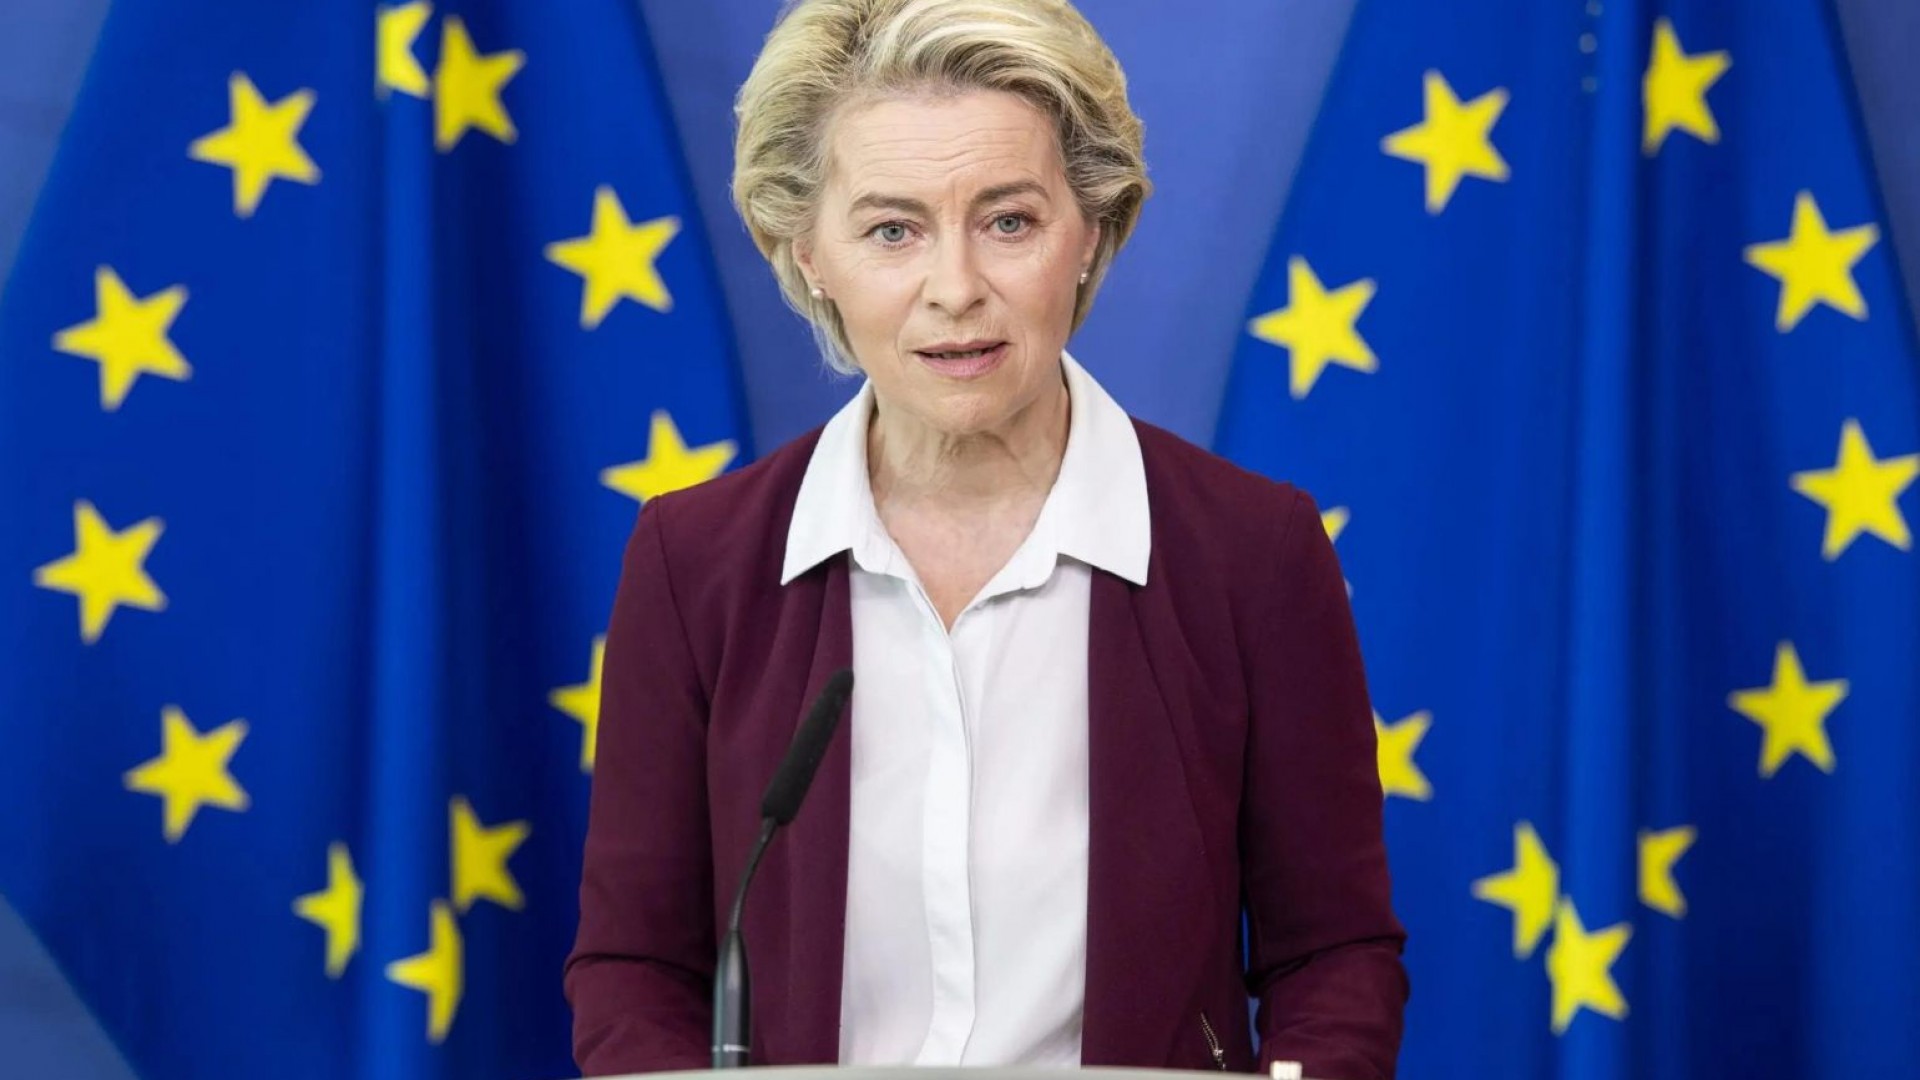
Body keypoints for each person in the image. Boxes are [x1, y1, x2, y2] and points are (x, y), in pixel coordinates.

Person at [564, 0, 1408, 1075]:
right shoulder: (697, 562)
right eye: (892, 231)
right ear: (807, 251)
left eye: (1009, 222)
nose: (956, 290)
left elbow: (1331, 954)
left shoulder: (1253, 552)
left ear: (1090, 230)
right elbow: (636, 966)